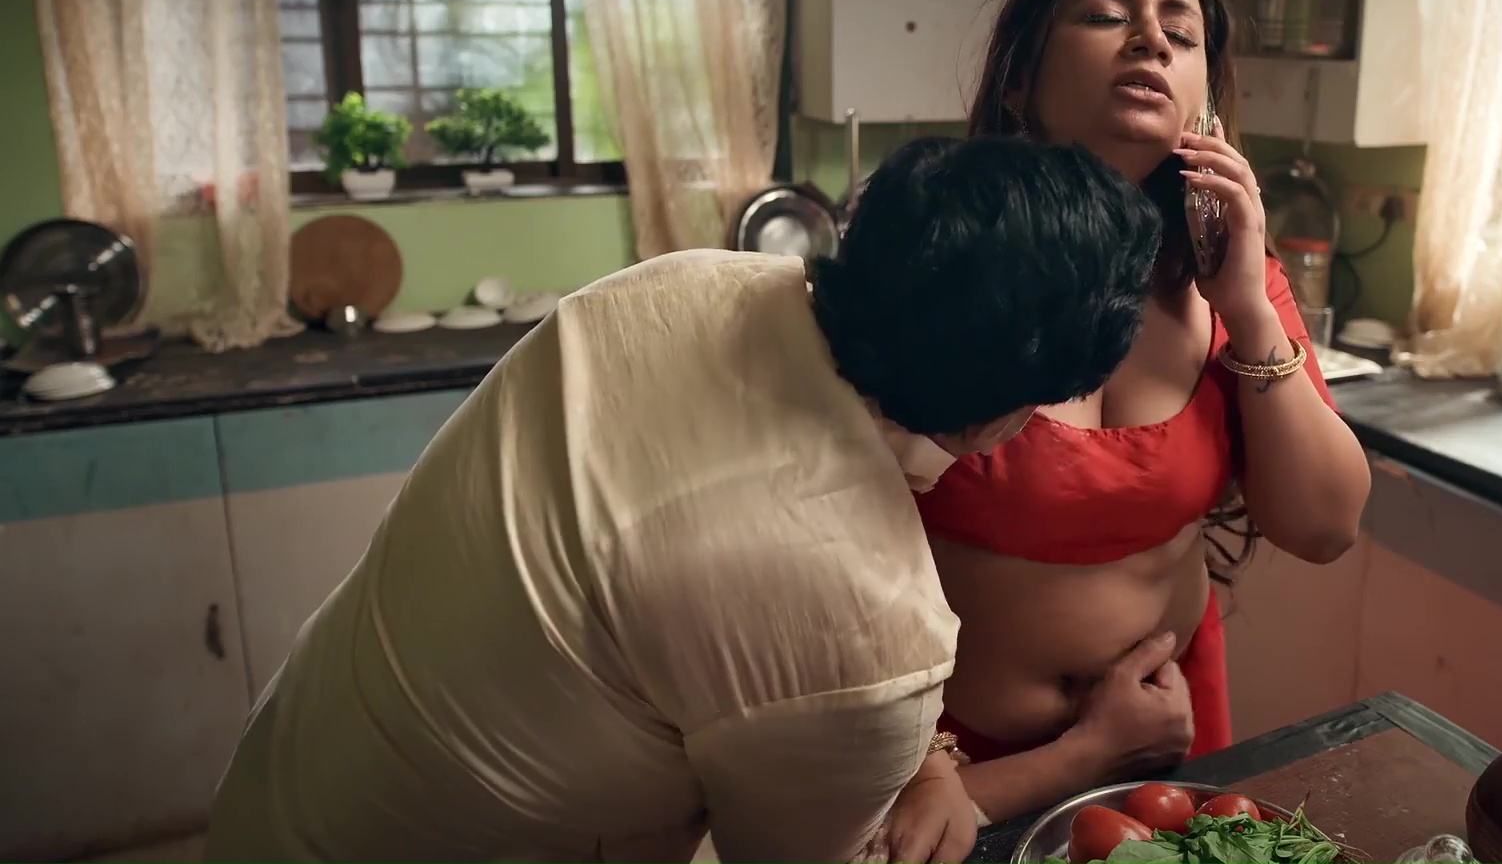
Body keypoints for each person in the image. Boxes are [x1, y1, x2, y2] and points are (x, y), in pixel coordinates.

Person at [201, 135, 1163, 864]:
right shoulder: (864, 610)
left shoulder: (686, 283)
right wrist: (1085, 756)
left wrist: (925, 756)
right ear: (1005, 412)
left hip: (293, 781)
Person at [902, 0, 1374, 827]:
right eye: (1106, 15)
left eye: (1181, 33)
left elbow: (1324, 526)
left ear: (1205, 98)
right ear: (1019, 79)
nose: (1152, 39)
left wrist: (1248, 306)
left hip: (1169, 740)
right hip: (949, 765)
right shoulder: (941, 267)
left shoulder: (1234, 282)